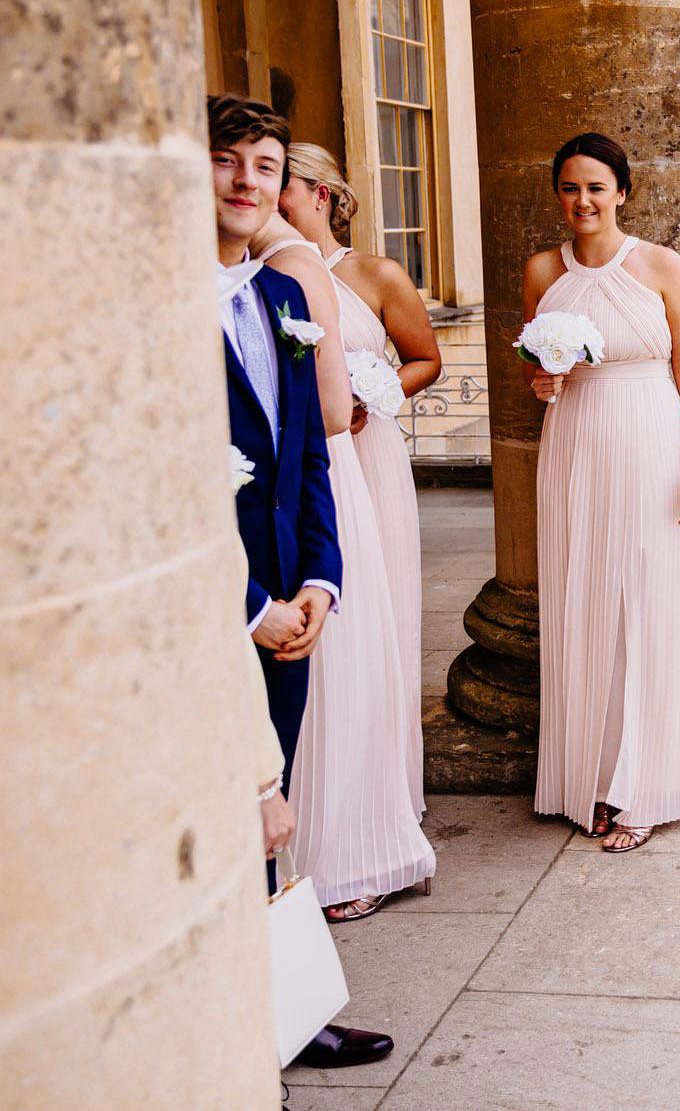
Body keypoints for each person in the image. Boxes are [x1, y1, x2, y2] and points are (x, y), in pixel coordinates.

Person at [208, 93, 391, 1070]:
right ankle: (226, 1012)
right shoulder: (154, 307)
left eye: (264, 165)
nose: (247, 181)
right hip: (218, 611)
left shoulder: (281, 296)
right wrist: (249, 610)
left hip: (294, 597)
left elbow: (308, 460)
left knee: (267, 802)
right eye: (228, 159)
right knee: (228, 799)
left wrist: (320, 582)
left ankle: (282, 1011)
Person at [253, 190, 436, 921]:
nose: (258, 184)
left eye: (273, 171)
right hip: (301, 474)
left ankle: (357, 845)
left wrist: (372, 397)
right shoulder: (244, 266)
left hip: (328, 464)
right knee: (323, 663)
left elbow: (335, 408)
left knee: (341, 659)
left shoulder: (297, 264)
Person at [524, 132, 680, 853]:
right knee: (581, 598)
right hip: (573, 441)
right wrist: (541, 381)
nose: (583, 201)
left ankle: (645, 786)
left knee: (643, 601)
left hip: (649, 438)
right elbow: (538, 367)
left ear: (622, 191)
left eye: (596, 187)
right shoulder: (543, 269)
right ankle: (591, 779)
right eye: (570, 187)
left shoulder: (661, 265)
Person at [280, 143, 442, 819]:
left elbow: (426, 359)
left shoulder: (375, 274)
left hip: (369, 457)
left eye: (281, 183)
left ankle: (384, 797)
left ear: (320, 194)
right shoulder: (260, 273)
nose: (269, 199)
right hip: (302, 467)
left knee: (379, 621)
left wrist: (370, 393)